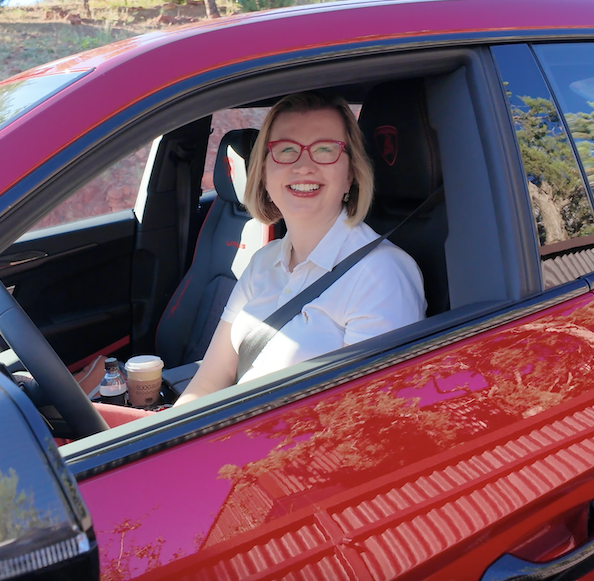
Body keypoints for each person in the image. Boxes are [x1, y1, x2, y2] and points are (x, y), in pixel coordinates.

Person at [175, 92, 426, 405]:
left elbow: (360, 421)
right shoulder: (263, 262)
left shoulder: (381, 276)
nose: (303, 166)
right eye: (286, 150)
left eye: (324, 149)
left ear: (350, 174)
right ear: (264, 173)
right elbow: (211, 378)